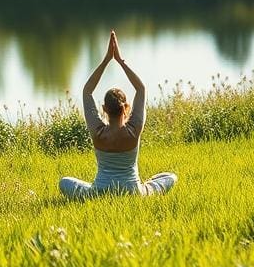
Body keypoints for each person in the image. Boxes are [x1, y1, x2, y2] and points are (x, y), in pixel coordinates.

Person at [58, 31, 177, 199]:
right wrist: (121, 61)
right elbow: (141, 89)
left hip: (99, 193)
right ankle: (147, 186)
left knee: (64, 182)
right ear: (126, 107)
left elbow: (87, 91)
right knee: (171, 177)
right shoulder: (134, 130)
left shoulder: (97, 131)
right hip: (134, 192)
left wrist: (107, 59)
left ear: (104, 109)